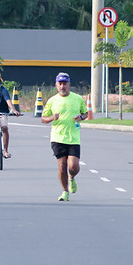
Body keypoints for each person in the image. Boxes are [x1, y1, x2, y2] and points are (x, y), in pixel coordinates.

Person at [40, 72, 93, 202]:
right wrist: (52, 117)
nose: (62, 86)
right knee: (62, 165)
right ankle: (65, 191)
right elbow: (43, 118)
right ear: (56, 85)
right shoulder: (52, 100)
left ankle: (72, 178)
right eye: (60, 84)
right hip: (57, 138)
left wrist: (80, 117)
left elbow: (85, 114)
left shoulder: (77, 98)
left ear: (69, 85)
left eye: (65, 83)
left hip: (73, 138)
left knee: (73, 167)